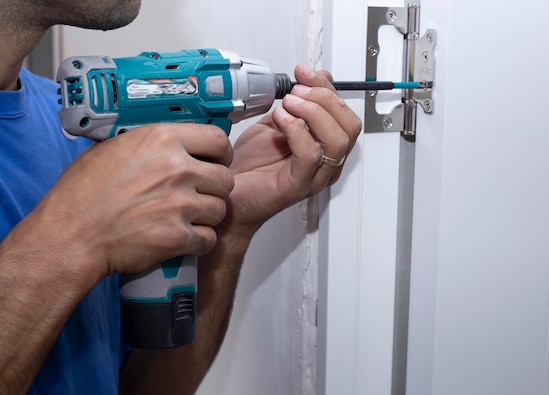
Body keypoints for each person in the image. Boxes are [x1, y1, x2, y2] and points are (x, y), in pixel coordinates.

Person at [0, 0, 362, 393]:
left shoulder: (66, 124)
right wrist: (73, 239)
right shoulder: (85, 154)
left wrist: (229, 219)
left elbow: (142, 388)